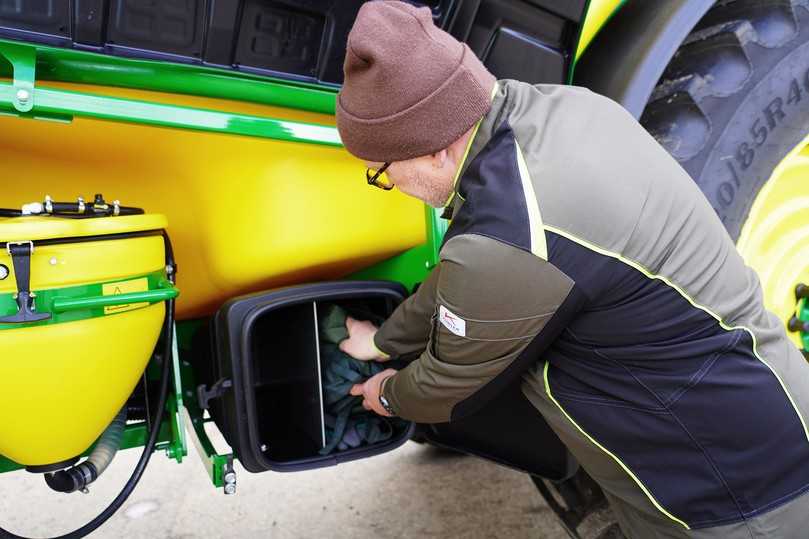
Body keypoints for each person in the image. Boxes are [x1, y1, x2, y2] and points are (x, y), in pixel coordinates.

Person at [336, 2, 809, 537]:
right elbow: (464, 279)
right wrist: (383, 339)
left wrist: (389, 393)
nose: (390, 185)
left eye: (382, 171)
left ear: (433, 152)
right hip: (754, 418)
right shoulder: (566, 110)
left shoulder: (512, 233)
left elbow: (448, 387)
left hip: (733, 497)